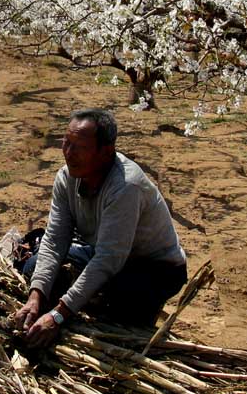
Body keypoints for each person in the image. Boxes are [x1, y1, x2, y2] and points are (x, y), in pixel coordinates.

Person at [12, 108, 187, 347]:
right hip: (102, 252)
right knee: (33, 266)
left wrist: (59, 314)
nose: (69, 154)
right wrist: (36, 296)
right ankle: (87, 297)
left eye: (79, 148)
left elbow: (108, 258)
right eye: (66, 143)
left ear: (106, 152)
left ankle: (119, 309)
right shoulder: (66, 177)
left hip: (153, 267)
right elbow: (54, 240)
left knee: (121, 306)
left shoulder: (126, 186)